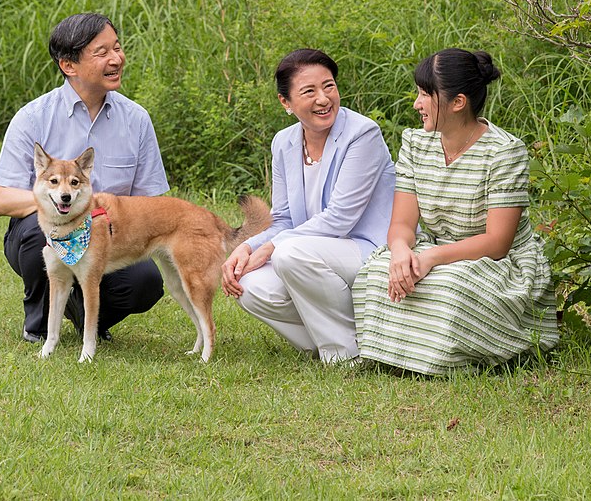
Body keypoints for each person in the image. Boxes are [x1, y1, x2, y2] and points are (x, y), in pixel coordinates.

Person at [352, 48, 559, 376]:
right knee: (377, 275)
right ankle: (411, 355)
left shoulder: (505, 152)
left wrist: (432, 258)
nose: (416, 104)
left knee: (450, 288)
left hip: (496, 262)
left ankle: (460, 355)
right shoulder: (416, 144)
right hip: (435, 248)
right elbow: (403, 224)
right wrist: (402, 251)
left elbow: (497, 243)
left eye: (424, 95)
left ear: (457, 102)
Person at [0, 12, 169, 343]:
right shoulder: (33, 118)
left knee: (145, 282)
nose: (116, 59)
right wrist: (62, 201)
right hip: (43, 229)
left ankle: (85, 314)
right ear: (68, 65)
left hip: (109, 235)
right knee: (39, 232)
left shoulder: (137, 120)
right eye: (102, 52)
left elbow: (150, 204)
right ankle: (39, 323)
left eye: (117, 48)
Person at [221, 48, 396, 364]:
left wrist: (272, 247)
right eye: (309, 91)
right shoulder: (284, 143)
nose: (323, 98)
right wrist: (246, 248)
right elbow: (284, 218)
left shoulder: (363, 134)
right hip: (310, 254)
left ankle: (346, 355)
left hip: (369, 249)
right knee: (250, 284)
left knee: (290, 255)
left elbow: (340, 218)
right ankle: (333, 341)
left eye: (329, 86)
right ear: (285, 103)